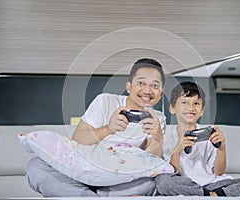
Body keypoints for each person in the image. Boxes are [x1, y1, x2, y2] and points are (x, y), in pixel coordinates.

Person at [26, 58, 166, 197]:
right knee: (36, 167)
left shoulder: (158, 118)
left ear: (161, 93)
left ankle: (80, 195)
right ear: (129, 87)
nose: (147, 90)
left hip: (119, 180)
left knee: (151, 182)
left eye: (155, 86)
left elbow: (151, 163)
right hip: (84, 170)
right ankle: (93, 196)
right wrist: (108, 129)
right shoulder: (105, 101)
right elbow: (78, 139)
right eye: (141, 83)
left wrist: (157, 136)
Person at [155, 81, 240, 197]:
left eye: (196, 103)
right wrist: (177, 151)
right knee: (162, 181)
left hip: (214, 184)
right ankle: (208, 195)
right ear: (172, 108)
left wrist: (222, 148)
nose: (191, 108)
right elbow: (171, 172)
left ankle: (213, 194)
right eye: (184, 102)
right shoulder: (165, 138)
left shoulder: (209, 134)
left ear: (202, 110)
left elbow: (219, 172)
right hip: (187, 185)